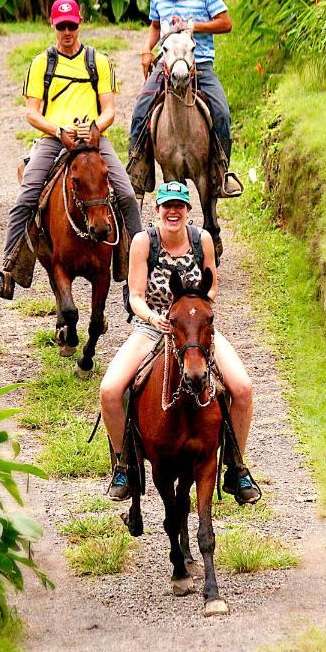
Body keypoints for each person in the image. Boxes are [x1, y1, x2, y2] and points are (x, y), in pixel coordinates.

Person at [99, 181, 260, 504]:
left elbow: (212, 286)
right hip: (154, 328)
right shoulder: (144, 242)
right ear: (157, 210)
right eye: (167, 206)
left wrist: (194, 308)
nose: (173, 212)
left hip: (195, 332)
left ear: (187, 211)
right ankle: (123, 465)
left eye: (179, 206)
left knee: (242, 388)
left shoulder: (202, 240)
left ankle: (237, 467)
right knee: (110, 390)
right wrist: (152, 318)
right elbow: (135, 296)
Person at [0, 0, 143, 299]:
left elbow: (109, 109)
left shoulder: (99, 61)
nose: (67, 32)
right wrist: (57, 129)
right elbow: (31, 112)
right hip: (53, 138)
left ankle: (141, 269)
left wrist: (94, 128)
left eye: (71, 25)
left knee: (125, 194)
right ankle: (6, 271)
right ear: (53, 26)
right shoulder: (42, 63)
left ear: (79, 23)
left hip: (93, 140)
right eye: (61, 26)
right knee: (27, 195)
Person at [129, 0, 242, 198]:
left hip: (199, 63)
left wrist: (193, 26)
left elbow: (225, 23)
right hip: (167, 64)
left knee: (221, 112)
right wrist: (147, 48)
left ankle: (222, 173)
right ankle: (138, 170)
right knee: (140, 109)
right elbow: (155, 26)